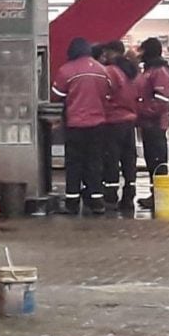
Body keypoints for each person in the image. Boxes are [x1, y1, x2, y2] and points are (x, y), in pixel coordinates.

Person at [52, 37, 111, 216]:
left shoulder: (66, 70)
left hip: (75, 124)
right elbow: (109, 93)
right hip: (98, 124)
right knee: (94, 162)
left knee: (74, 163)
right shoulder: (103, 71)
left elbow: (56, 95)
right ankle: (97, 202)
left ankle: (72, 203)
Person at [135, 37, 169, 210]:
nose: (140, 54)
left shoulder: (159, 71)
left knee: (157, 160)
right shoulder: (152, 69)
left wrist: (142, 112)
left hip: (155, 124)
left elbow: (161, 101)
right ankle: (156, 195)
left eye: (142, 50)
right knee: (152, 160)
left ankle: (160, 197)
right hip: (149, 123)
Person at [100, 40, 139, 214]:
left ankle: (110, 197)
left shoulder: (111, 72)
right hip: (130, 121)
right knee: (129, 161)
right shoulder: (132, 71)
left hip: (113, 121)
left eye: (106, 52)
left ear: (112, 52)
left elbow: (104, 94)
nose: (104, 56)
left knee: (112, 161)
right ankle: (129, 196)